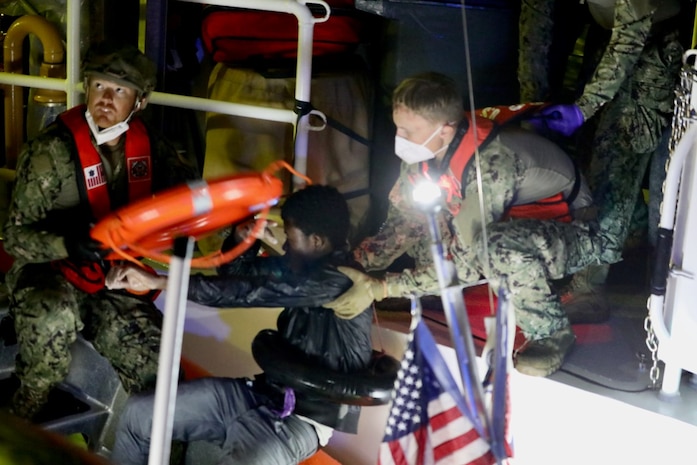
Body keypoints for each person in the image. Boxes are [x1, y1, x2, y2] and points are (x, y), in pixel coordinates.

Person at [327, 72, 612, 377]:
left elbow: (467, 264)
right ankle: (432, 288)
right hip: (514, 222)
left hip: (576, 230)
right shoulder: (422, 154)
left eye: (409, 131)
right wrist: (354, 264)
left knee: (495, 249)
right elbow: (406, 222)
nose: (401, 139)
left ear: (445, 130)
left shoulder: (489, 163)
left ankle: (550, 332)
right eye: (399, 128)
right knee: (428, 215)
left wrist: (382, 288)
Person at [105, 184, 374, 465]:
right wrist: (243, 239)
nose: (284, 245)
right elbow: (235, 275)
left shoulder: (341, 281)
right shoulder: (300, 268)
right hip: (256, 395)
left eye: (291, 238)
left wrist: (160, 281)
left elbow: (245, 292)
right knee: (139, 414)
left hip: (297, 423)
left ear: (317, 241)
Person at [2, 40, 199, 420]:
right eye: (98, 87)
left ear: (139, 102)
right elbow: (14, 237)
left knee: (161, 367)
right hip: (50, 272)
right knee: (52, 314)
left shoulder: (151, 148)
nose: (105, 99)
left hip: (113, 278)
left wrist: (233, 235)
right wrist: (68, 243)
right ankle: (29, 401)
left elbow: (188, 204)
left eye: (119, 91)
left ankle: (161, 447)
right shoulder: (51, 152)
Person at [519, 0, 684, 318]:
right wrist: (532, 103)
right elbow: (536, 27)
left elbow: (630, 36)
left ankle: (590, 286)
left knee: (614, 164)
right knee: (587, 158)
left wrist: (584, 107)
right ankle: (623, 241)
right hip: (604, 41)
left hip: (655, 47)